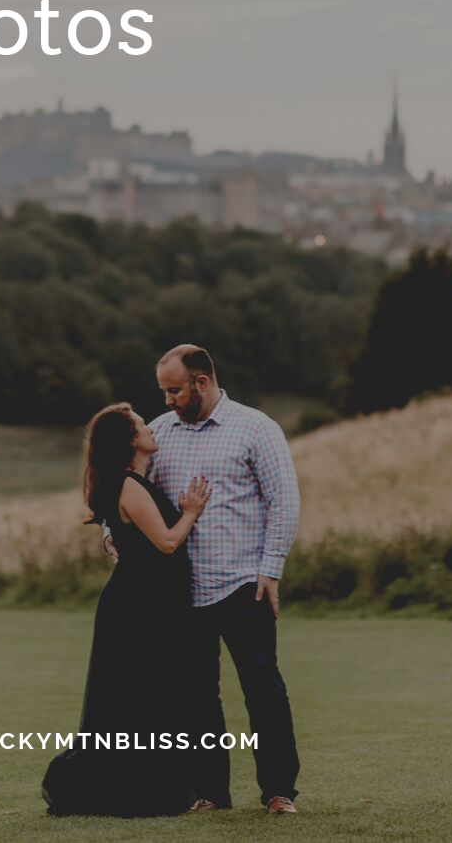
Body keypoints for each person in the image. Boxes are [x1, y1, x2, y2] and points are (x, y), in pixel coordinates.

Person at [105, 345, 301, 814]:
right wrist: (112, 534)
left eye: (174, 390)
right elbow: (130, 489)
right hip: (179, 593)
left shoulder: (256, 428)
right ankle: (209, 792)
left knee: (263, 690)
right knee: (195, 698)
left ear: (201, 383)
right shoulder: (159, 434)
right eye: (164, 391)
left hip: (241, 585)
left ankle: (278, 791)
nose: (168, 400)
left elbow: (284, 501)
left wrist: (271, 569)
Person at [41, 402, 211, 818]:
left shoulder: (128, 482)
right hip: (141, 604)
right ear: (130, 440)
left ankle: (144, 785)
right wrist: (190, 512)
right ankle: (141, 790)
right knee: (142, 694)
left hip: (145, 601)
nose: (149, 426)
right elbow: (167, 543)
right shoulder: (130, 485)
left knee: (139, 695)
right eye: (139, 424)